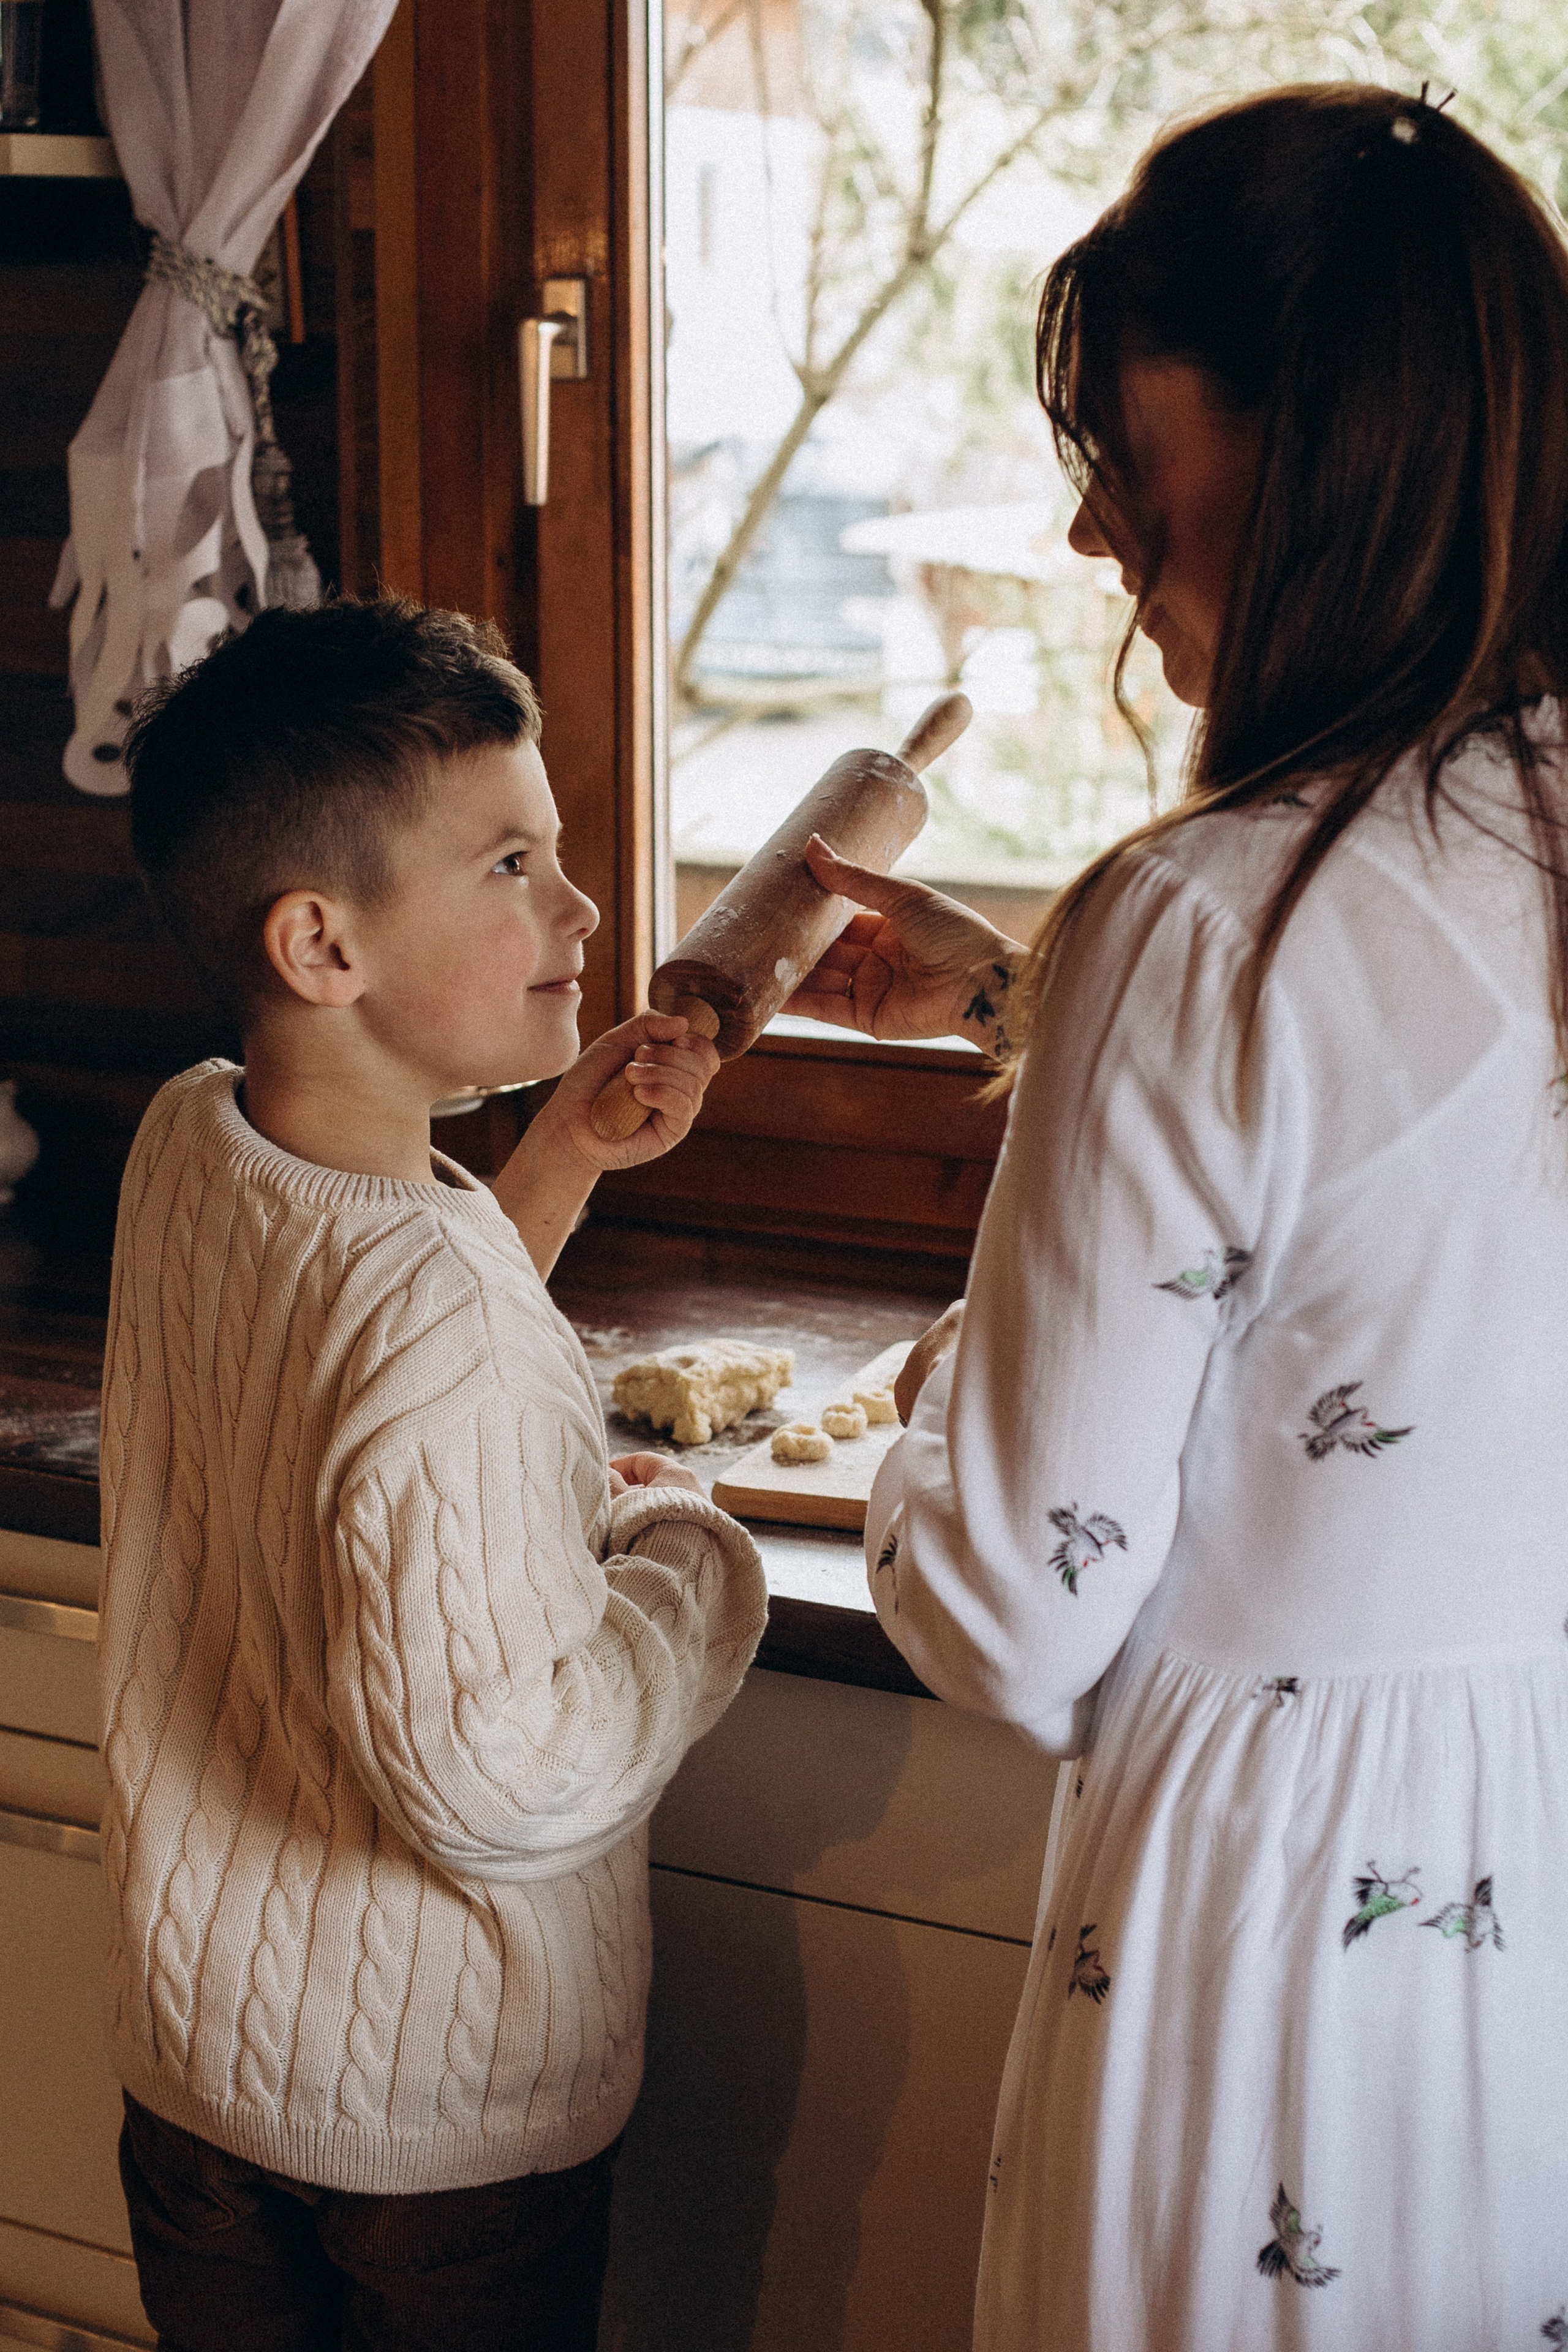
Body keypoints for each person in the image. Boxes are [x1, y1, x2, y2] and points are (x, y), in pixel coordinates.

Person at [788, 82, 1568, 2350]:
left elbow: (1021, 1609)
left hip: (1286, 1923)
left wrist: (941, 1402)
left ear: (1316, 450)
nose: (1091, 536)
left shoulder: (1200, 919)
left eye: (1127, 458)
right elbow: (1424, 1151)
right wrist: (1034, 1003)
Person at [99, 598, 769, 2352]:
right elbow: (511, 1781)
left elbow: (366, 1358)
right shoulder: (444, 1316)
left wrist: (553, 1160)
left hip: (204, 2087)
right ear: (322, 943)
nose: (584, 908)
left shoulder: (192, 1140)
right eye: (510, 864)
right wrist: (688, 1565)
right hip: (439, 2139)